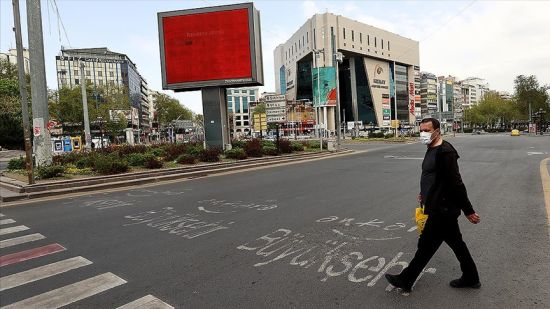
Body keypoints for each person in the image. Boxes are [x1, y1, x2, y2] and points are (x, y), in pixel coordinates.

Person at [385, 117, 481, 293]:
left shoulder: (445, 152)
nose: (423, 134)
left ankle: (406, 279)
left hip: (443, 209)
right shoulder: (431, 148)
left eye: (427, 130)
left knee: (426, 245)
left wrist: (468, 210)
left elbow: (456, 184)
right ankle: (471, 277)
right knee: (454, 243)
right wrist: (425, 193)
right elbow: (432, 177)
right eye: (421, 130)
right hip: (438, 206)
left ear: (437, 131)